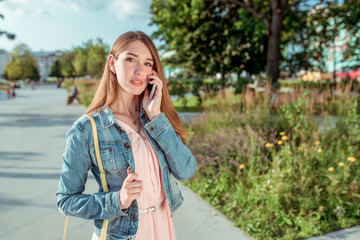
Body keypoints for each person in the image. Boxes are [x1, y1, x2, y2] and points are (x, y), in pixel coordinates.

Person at [56, 31, 197, 240]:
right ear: (112, 63)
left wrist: (157, 116)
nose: (139, 71)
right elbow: (66, 201)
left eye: (148, 64)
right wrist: (117, 200)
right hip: (123, 234)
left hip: (163, 226)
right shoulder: (86, 130)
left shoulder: (155, 118)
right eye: (131, 59)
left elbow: (187, 171)